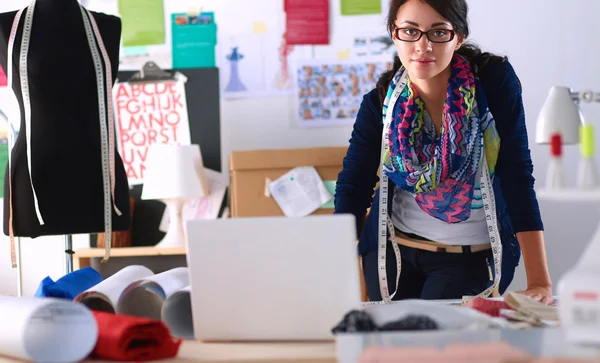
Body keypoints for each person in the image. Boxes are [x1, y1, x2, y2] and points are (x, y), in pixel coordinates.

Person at [334, 0, 553, 304]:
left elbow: (517, 174)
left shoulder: (492, 85)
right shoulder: (381, 102)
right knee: (393, 349)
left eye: (438, 33)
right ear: (394, 34)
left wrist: (540, 280)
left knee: (439, 349)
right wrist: (332, 267)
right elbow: (353, 185)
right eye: (410, 31)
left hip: (468, 259)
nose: (423, 46)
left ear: (458, 37)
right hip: (392, 255)